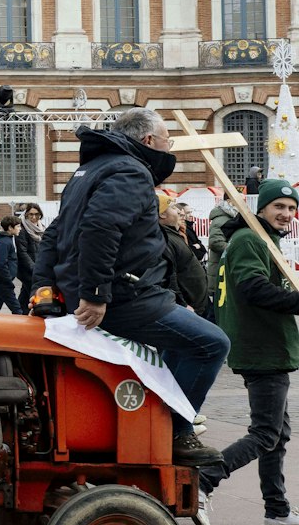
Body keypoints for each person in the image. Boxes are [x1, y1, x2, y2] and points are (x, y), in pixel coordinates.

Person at [34, 107, 230, 466]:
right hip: (125, 296)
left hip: (115, 290)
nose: (169, 148)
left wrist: (43, 287)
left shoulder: (89, 170)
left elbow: (55, 234)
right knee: (212, 343)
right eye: (167, 141)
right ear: (149, 140)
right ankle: (174, 430)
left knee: (178, 344)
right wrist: (95, 296)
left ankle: (160, 415)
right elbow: (101, 229)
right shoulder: (130, 171)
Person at [199, 176, 299, 525]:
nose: (286, 214)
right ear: (261, 209)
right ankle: (205, 479)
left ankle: (276, 509)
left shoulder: (261, 240)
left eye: (291, 208)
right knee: (265, 434)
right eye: (279, 207)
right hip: (262, 348)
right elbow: (254, 288)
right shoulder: (249, 240)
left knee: (277, 434)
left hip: (269, 346)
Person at [159, 192, 210, 320]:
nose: (180, 212)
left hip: (198, 305)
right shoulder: (164, 239)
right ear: (162, 214)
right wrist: (182, 304)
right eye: (173, 208)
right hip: (190, 309)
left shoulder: (173, 235)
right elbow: (170, 275)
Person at [0, 216, 23, 314]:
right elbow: (0, 264)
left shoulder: (7, 240)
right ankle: (21, 326)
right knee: (16, 309)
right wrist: (7, 280)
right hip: (2, 280)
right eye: (18, 226)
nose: (20, 229)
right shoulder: (4, 242)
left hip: (2, 279)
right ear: (10, 228)